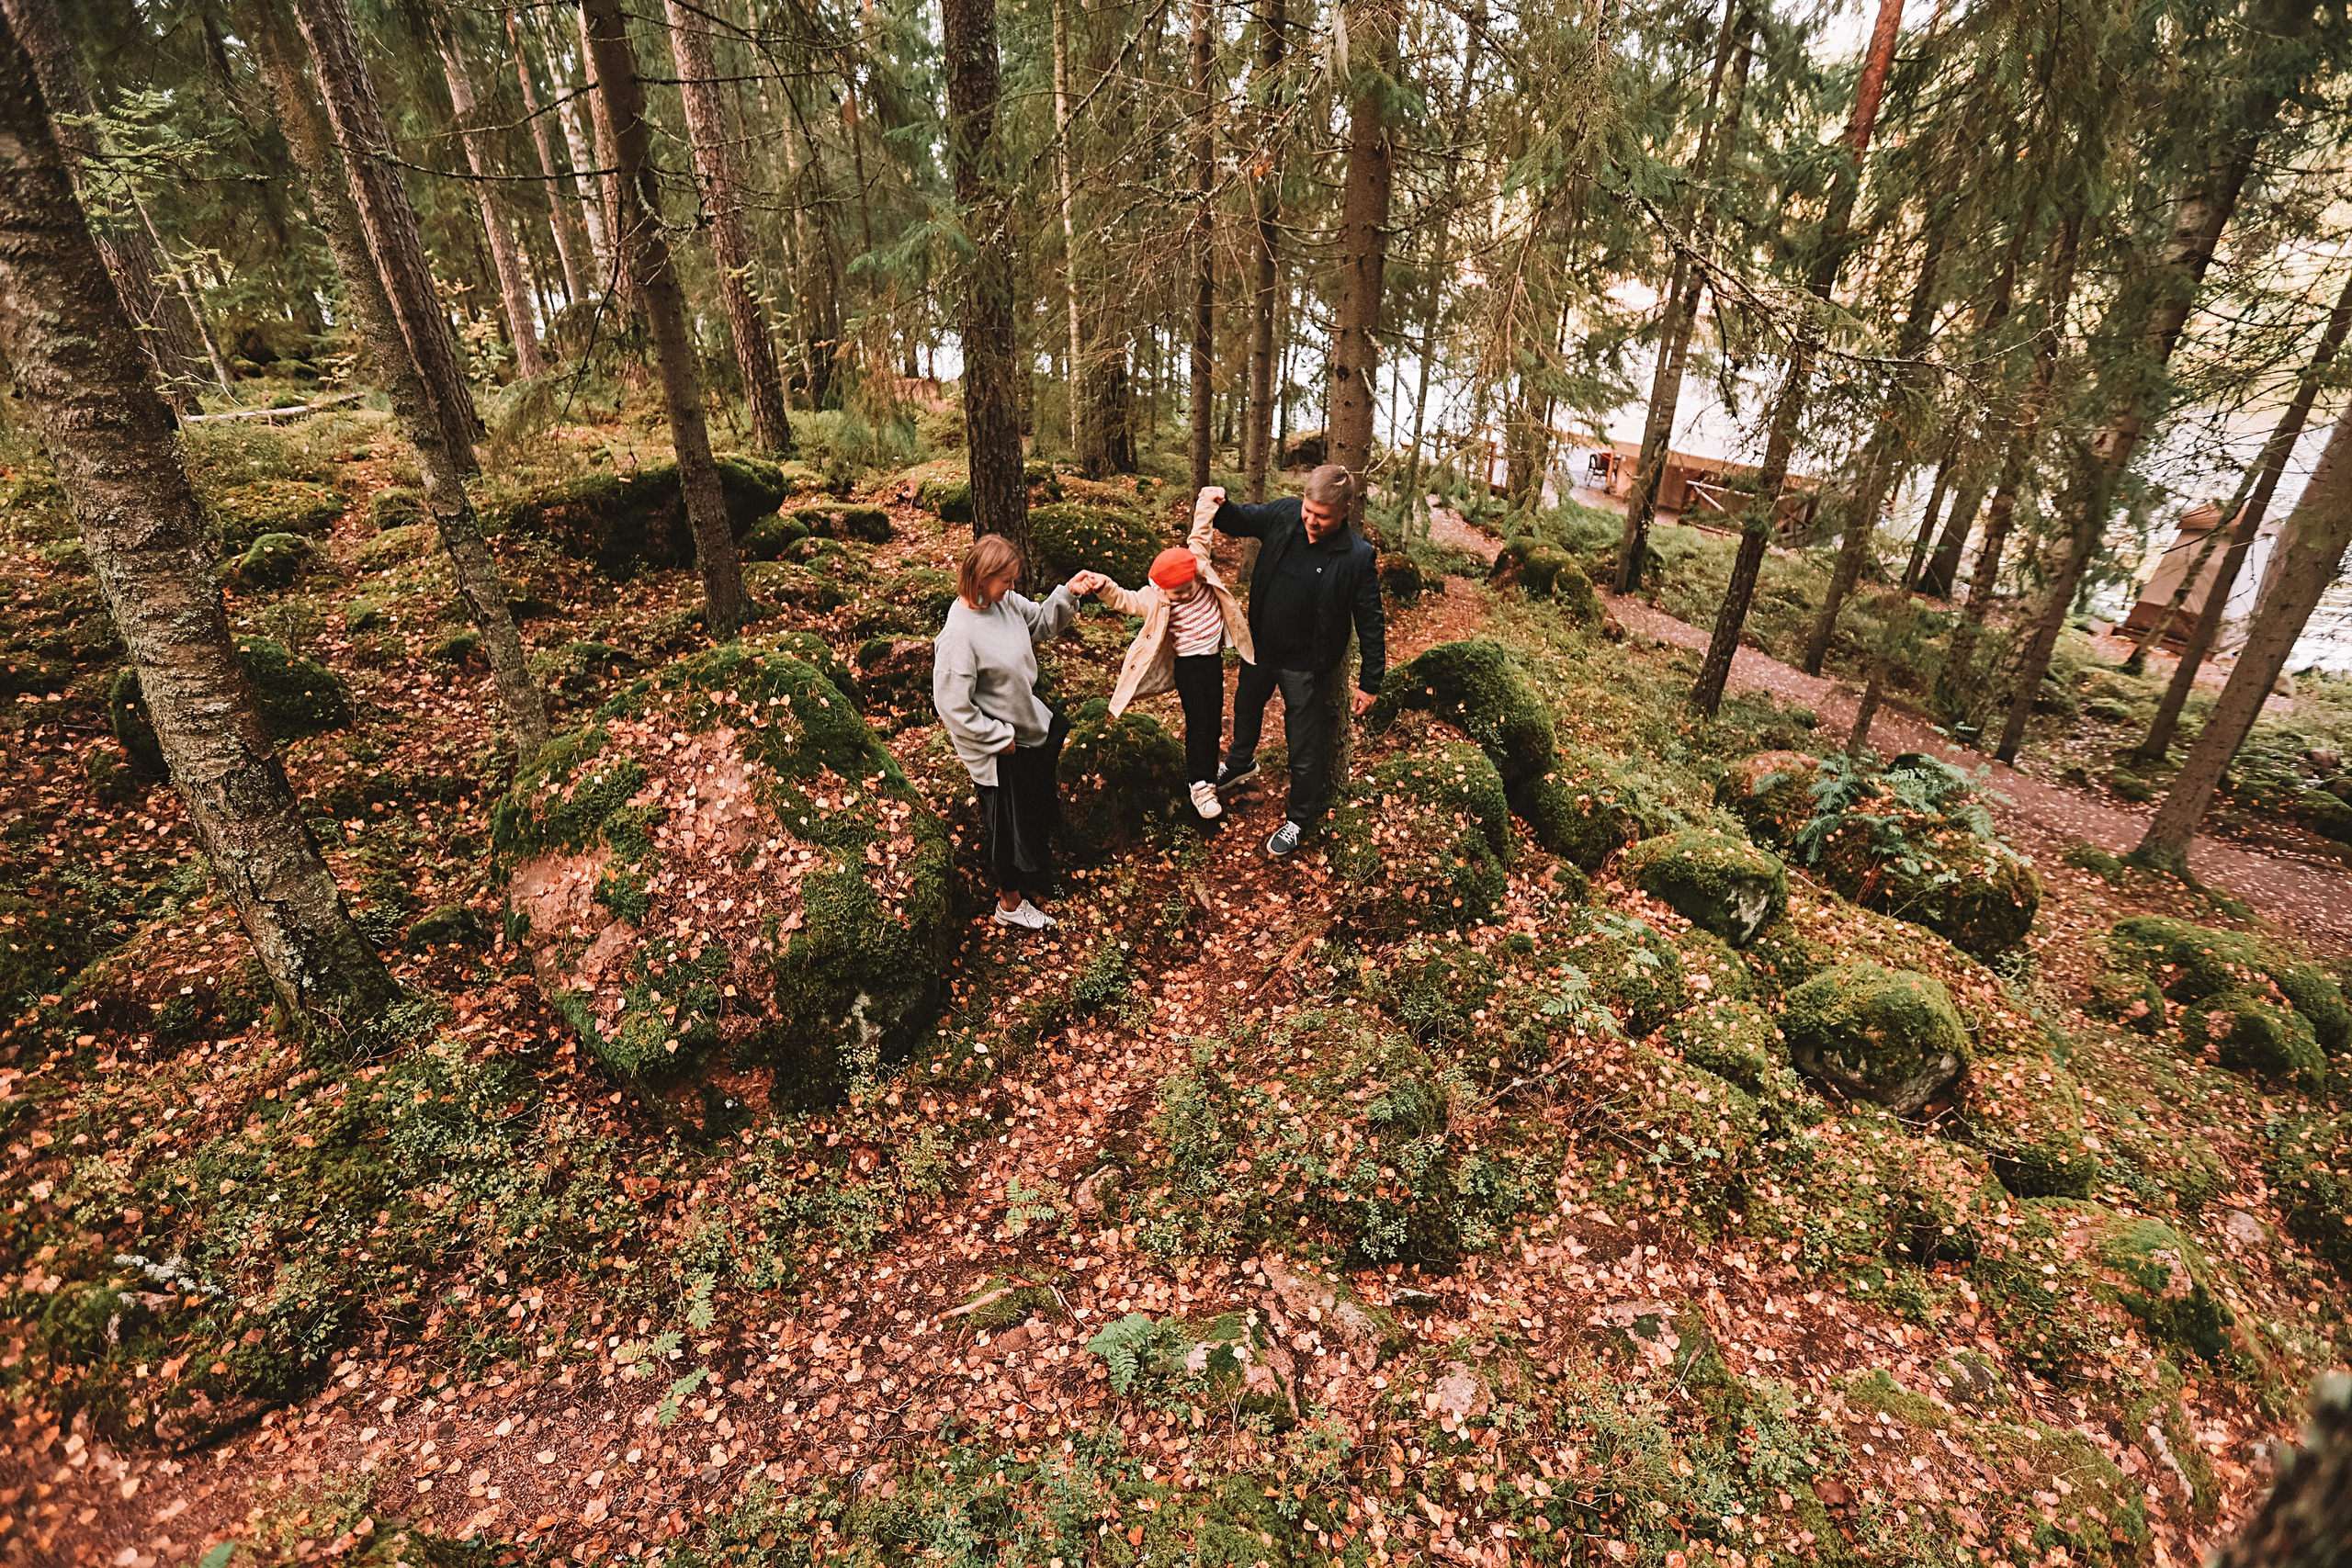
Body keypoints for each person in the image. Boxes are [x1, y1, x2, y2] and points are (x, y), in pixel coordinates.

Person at [1201, 463, 1386, 859]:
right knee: (1246, 705)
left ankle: (1298, 818)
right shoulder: (1286, 514)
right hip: (1261, 648)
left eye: (1322, 516)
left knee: (1303, 741)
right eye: (1309, 510)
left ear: (1343, 513)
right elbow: (1241, 520)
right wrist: (1220, 503)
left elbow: (1370, 621)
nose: (1311, 521)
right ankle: (1239, 764)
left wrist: (1371, 682)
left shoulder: (1356, 556)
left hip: (1306, 663)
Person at [1069, 497, 1255, 821]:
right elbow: (1125, 600)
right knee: (1200, 723)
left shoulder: (1198, 564)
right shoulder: (1156, 596)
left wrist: (1207, 500)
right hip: (1188, 667)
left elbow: (1200, 533)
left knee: (1213, 722)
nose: (1182, 597)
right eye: (1176, 594)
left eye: (1187, 591)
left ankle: (1211, 772)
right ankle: (1200, 785)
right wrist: (1104, 586)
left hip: (1212, 662)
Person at [933, 535, 1085, 931]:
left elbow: (1037, 623)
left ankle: (1036, 873)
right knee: (1006, 828)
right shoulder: (959, 635)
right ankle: (1010, 903)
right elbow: (952, 706)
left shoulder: (1005, 603)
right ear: (981, 579)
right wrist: (998, 738)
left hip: (1028, 728)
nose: (1013, 588)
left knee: (1033, 811)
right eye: (1007, 581)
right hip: (997, 750)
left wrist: (1068, 593)